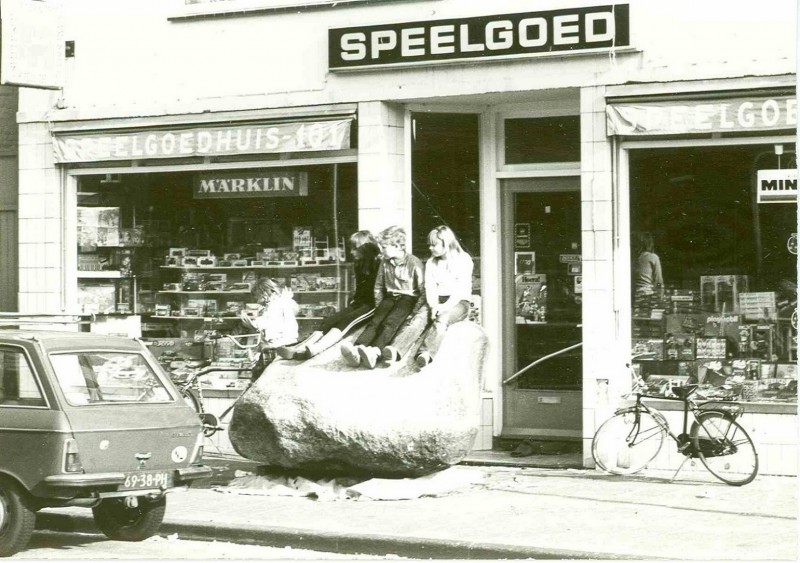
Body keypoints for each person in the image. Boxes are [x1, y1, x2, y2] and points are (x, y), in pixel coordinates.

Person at [276, 230, 381, 360]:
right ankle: (301, 346)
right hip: (360, 302)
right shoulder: (359, 264)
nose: (351, 252)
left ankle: (317, 348)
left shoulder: (379, 263)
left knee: (347, 321)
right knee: (329, 321)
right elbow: (360, 288)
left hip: (372, 305)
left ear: (365, 249)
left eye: (355, 249)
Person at [383, 225, 474, 368]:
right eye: (429, 245)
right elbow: (429, 287)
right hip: (436, 301)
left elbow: (459, 289)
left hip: (458, 302)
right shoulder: (432, 262)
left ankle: (425, 353)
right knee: (418, 319)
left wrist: (443, 308)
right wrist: (433, 306)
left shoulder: (463, 259)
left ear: (446, 242)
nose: (430, 248)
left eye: (434, 245)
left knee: (441, 320)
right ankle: (396, 350)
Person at [340, 225, 424, 369]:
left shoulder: (414, 262)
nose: (381, 250)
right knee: (375, 321)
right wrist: (380, 305)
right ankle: (358, 349)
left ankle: (375, 351)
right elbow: (378, 285)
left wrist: (415, 311)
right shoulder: (385, 263)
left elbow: (423, 290)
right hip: (390, 297)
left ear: (397, 246)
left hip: (407, 299)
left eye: (384, 247)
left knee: (390, 323)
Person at [240, 277, 299, 369]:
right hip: (287, 344)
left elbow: (268, 321)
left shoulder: (275, 305)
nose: (258, 302)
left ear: (264, 293)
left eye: (257, 298)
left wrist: (252, 323)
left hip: (280, 346)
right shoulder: (283, 302)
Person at [632, 231, 663, 296]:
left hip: (635, 294)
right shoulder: (653, 257)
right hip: (648, 293)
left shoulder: (635, 258)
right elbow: (658, 279)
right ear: (650, 243)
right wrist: (660, 292)